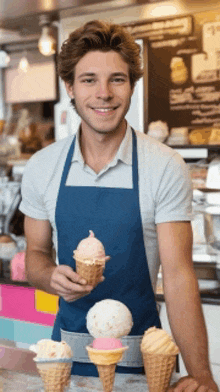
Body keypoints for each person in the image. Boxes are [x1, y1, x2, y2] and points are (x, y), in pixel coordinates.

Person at [19, 20, 218, 391]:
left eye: (117, 80)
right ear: (70, 88)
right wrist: (49, 276)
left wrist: (201, 375)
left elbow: (178, 277)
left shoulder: (163, 165)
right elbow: (35, 254)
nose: (104, 94)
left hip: (145, 365)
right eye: (89, 79)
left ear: (132, 86)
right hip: (64, 365)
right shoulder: (43, 167)